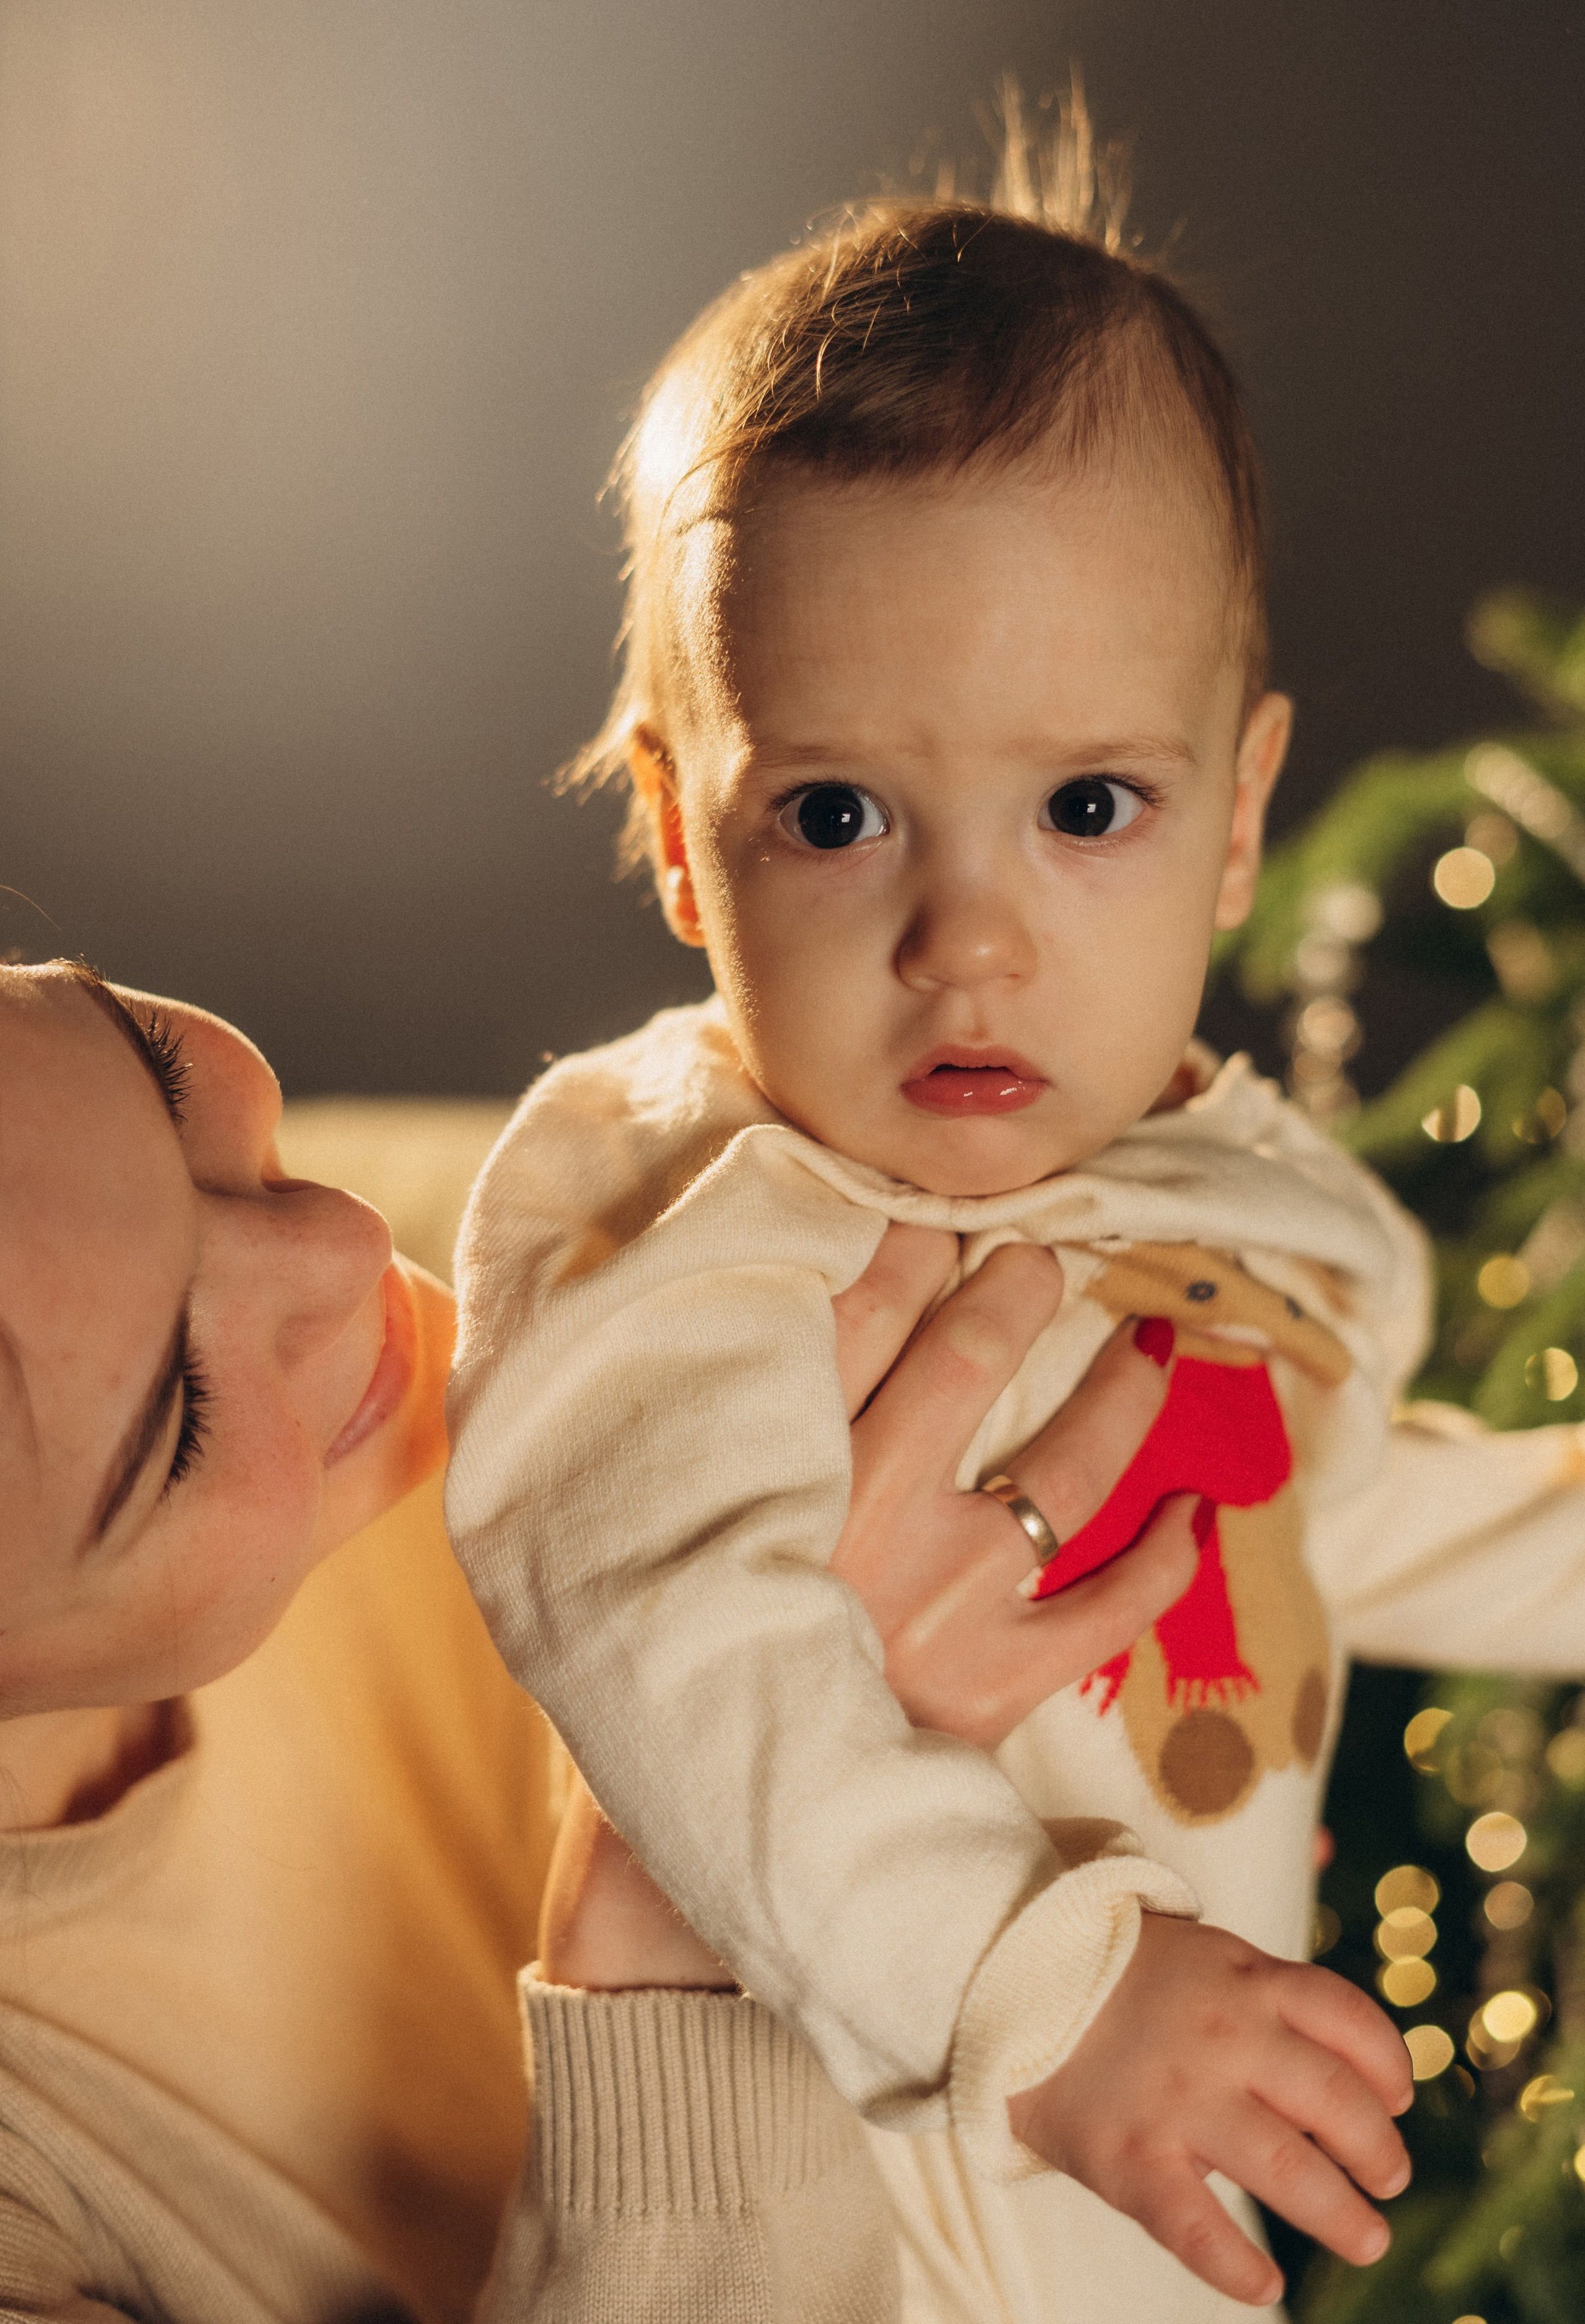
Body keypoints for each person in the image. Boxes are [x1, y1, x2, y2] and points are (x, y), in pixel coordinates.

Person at [445, 189, 1585, 2323]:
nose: (968, 943)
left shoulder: (1209, 1225)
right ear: (681, 839)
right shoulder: (715, 1247)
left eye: (1084, 809)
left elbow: (1329, 1503)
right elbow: (680, 1644)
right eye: (838, 814)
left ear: (1238, 820)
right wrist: (1044, 1992)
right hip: (822, 2245)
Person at [0, 954, 1197, 2323]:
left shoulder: (513, 1237)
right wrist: (713, 1843)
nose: (342, 1240)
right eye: (185, 1417)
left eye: (155, 1069)